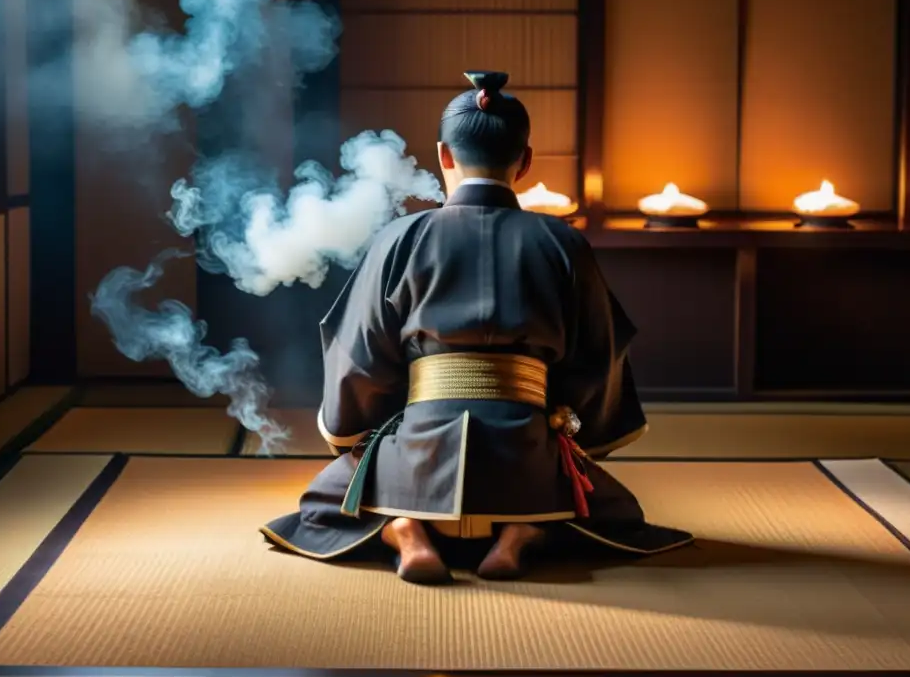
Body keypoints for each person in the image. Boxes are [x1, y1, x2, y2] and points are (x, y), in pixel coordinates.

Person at [261, 71, 693, 584]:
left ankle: (405, 528)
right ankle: (522, 532)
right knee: (607, 506)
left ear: (444, 155)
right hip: (527, 462)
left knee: (325, 501)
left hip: (419, 454)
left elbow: (360, 357)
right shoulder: (561, 242)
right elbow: (599, 357)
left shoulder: (403, 237)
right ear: (525, 161)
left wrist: (368, 428)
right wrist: (569, 424)